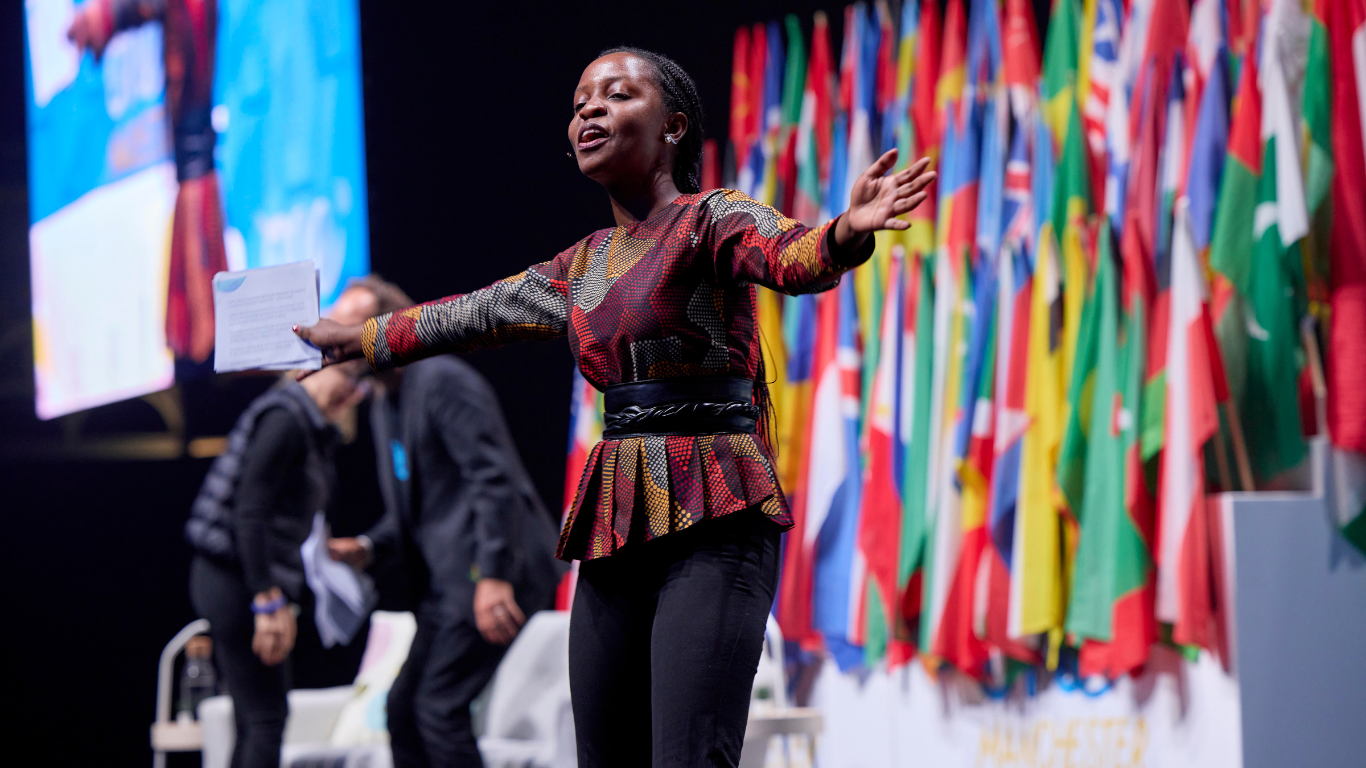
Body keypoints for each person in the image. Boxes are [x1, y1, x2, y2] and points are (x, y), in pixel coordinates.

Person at [298, 47, 934, 768]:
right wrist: (355, 340)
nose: (589, 111)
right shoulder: (581, 265)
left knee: (689, 755)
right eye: (579, 104)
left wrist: (848, 231)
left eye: (617, 94)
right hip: (617, 513)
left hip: (716, 504)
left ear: (674, 126)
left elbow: (794, 254)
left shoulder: (711, 220)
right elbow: (470, 313)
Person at [326, 277, 564, 768]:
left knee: (438, 708)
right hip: (446, 585)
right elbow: (420, 504)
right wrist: (367, 547)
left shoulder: (441, 381)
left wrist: (494, 574)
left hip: (492, 570)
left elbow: (492, 480)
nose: (339, 341)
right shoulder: (382, 402)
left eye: (350, 329)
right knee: (402, 710)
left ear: (388, 329)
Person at [184, 364, 368, 768]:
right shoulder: (286, 417)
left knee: (253, 719)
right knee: (267, 718)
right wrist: (266, 600)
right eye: (347, 377)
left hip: (244, 577)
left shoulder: (310, 426)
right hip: (236, 579)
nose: (351, 392)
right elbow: (249, 513)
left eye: (359, 385)